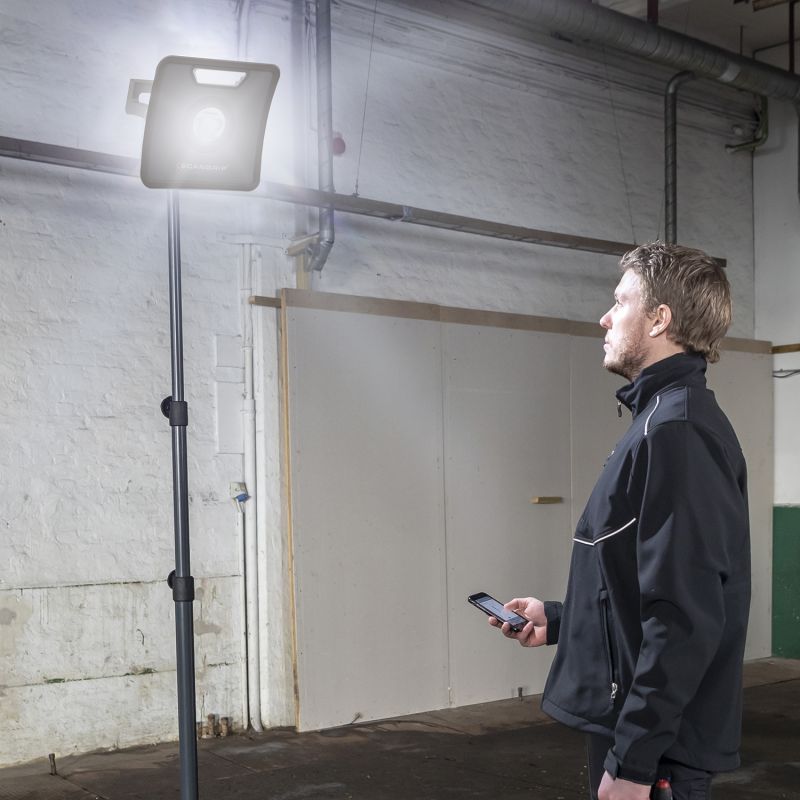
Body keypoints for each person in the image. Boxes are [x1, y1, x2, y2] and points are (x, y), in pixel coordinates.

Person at [490, 242, 751, 800]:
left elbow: (683, 618)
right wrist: (560, 620)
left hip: (658, 754)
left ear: (660, 319)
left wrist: (633, 761)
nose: (605, 319)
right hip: (641, 732)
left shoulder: (676, 431)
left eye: (620, 302)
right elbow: (639, 586)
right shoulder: (658, 421)